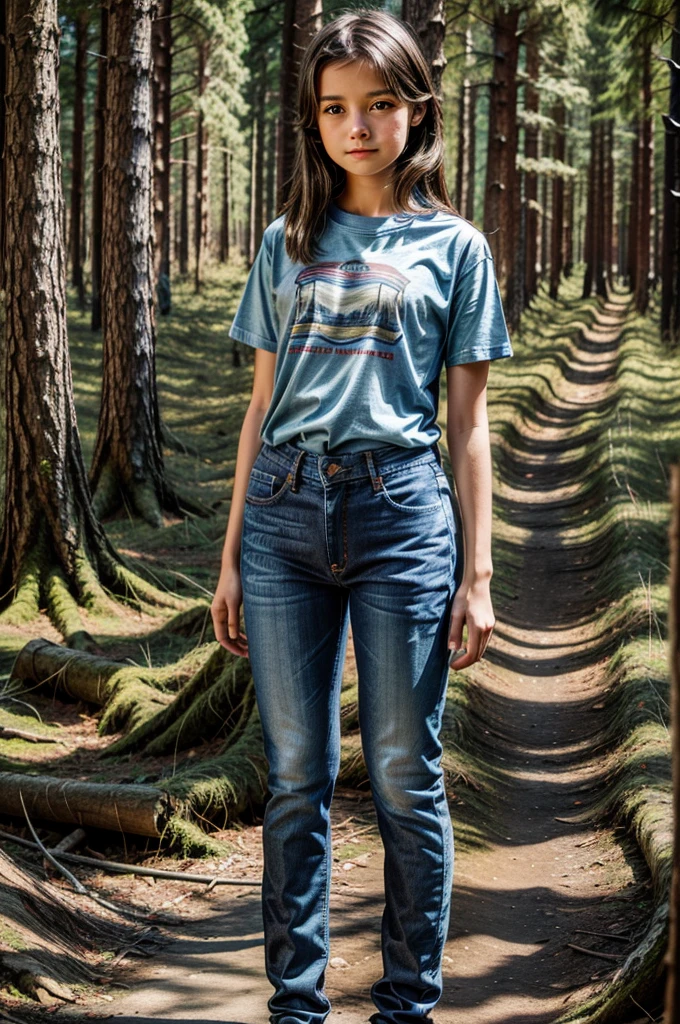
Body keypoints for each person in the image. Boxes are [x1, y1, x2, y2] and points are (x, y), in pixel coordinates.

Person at [210, 8, 513, 1023]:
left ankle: (404, 1004)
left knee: (401, 774)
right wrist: (227, 563)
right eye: (335, 107)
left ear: (413, 110)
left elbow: (467, 426)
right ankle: (294, 1005)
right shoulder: (284, 239)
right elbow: (260, 409)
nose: (356, 125)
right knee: (296, 778)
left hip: (401, 518)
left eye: (378, 104)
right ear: (313, 118)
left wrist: (477, 574)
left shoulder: (454, 247)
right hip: (283, 520)